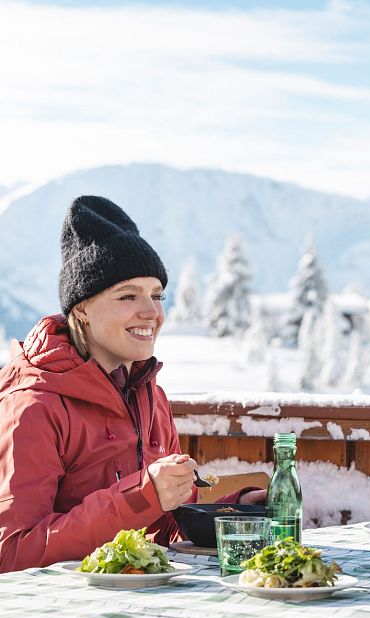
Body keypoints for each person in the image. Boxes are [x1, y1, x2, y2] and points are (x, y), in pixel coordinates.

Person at [0, 196, 265, 573]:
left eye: (157, 295)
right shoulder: (34, 405)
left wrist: (235, 510)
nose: (151, 312)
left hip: (140, 601)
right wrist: (140, 496)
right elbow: (12, 554)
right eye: (128, 296)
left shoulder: (148, 394)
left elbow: (163, 524)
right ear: (81, 308)